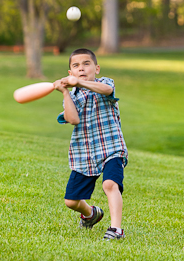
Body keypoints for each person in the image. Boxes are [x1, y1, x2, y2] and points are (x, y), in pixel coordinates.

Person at [53, 48, 128, 240]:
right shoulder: (74, 96)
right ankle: (91, 214)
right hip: (84, 152)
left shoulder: (104, 83)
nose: (82, 68)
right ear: (70, 73)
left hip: (112, 147)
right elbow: (73, 119)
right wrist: (64, 92)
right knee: (71, 201)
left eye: (87, 64)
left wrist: (80, 83)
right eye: (76, 66)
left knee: (110, 184)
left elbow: (108, 91)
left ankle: (116, 230)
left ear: (96, 68)